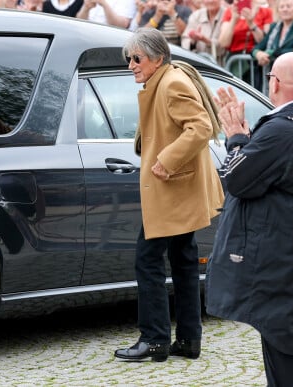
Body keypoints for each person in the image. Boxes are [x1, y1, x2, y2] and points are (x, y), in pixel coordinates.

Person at [206, 51, 293, 387]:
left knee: (283, 344)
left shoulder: (282, 130)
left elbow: (237, 179)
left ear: (274, 83)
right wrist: (248, 144)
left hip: (281, 252)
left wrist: (235, 137)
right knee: (281, 340)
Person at [114, 28, 224, 362]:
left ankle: (155, 339)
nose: (131, 64)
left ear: (157, 57)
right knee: (183, 261)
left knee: (147, 260)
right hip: (179, 190)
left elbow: (201, 127)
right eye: (128, 59)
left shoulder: (172, 82)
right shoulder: (164, 79)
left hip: (174, 189)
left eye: (137, 58)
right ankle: (189, 340)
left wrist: (166, 159)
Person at [251, 0, 293, 91]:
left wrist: (270, 53)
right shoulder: (274, 27)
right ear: (277, 10)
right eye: (282, 7)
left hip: (292, 74)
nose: (285, 9)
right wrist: (258, 54)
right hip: (273, 74)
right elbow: (257, 47)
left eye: (288, 6)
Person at [218, 0, 273, 82]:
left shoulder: (265, 11)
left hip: (256, 61)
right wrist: (234, 20)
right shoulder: (230, 12)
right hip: (235, 62)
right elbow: (224, 43)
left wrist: (251, 23)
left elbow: (264, 41)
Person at [181, 0, 227, 65]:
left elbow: (225, 46)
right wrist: (192, 41)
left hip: (222, 64)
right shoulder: (196, 15)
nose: (210, 1)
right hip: (198, 63)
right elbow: (185, 41)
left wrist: (206, 40)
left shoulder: (227, 14)